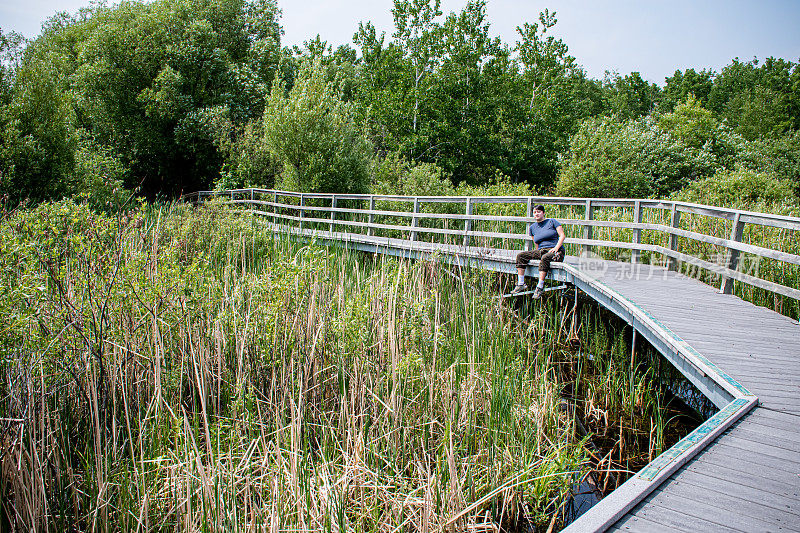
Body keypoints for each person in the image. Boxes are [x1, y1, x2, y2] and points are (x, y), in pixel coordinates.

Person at [511, 204, 566, 299]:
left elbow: (562, 236)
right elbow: (536, 243)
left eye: (539, 212)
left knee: (545, 258)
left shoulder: (552, 222)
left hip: (555, 251)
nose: (536, 214)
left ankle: (540, 287)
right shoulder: (532, 227)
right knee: (521, 256)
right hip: (542, 250)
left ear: (543, 213)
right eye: (535, 212)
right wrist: (537, 253)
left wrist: (556, 248)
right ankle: (521, 284)